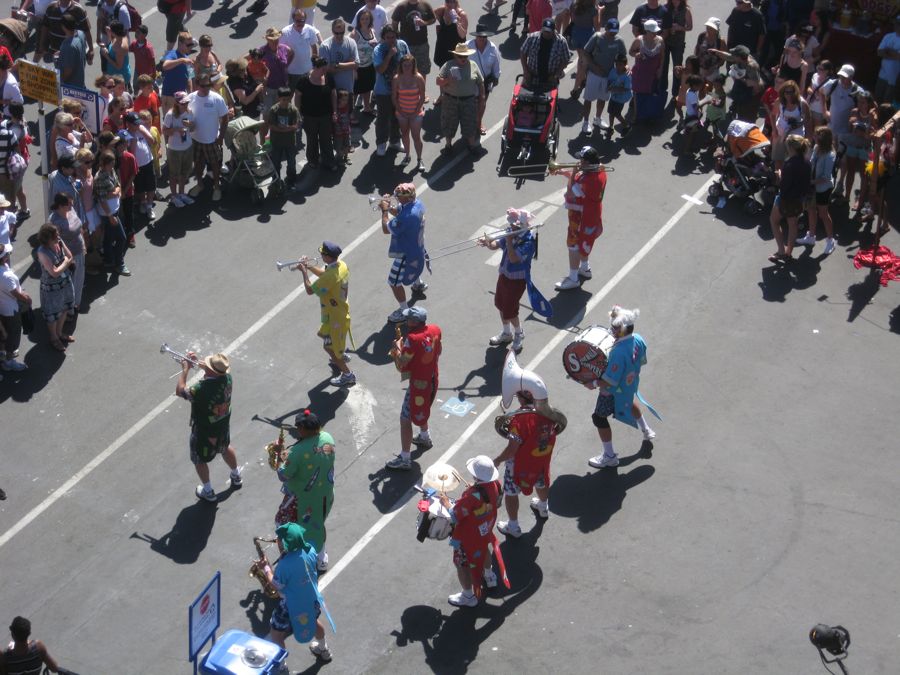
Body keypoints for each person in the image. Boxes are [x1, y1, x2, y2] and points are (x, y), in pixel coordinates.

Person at [493, 351, 564, 538]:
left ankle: (513, 526)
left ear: (524, 397)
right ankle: (543, 507)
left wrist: (497, 460)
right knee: (542, 480)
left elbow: (511, 450)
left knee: (510, 491)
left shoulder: (519, 421)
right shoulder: (549, 416)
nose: (516, 398)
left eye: (518, 395)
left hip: (520, 464)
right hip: (540, 460)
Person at [582, 306, 656, 468]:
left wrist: (593, 383)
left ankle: (609, 456)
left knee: (599, 418)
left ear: (622, 330)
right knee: (629, 401)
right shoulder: (638, 338)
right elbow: (642, 360)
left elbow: (610, 381)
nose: (612, 330)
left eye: (615, 328)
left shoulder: (618, 353)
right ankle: (646, 430)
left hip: (612, 391)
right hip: (630, 384)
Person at [438, 455, 509, 607]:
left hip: (468, 536)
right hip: (485, 529)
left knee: (461, 564)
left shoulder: (471, 495)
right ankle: (490, 576)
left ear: (476, 475)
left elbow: (455, 515)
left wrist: (446, 503)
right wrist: (474, 488)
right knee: (484, 550)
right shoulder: (495, 484)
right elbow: (495, 501)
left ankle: (468, 596)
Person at [479, 208, 551, 352]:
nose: (511, 227)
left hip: (517, 281)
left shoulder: (528, 243)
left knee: (510, 310)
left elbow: (513, 258)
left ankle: (519, 333)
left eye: (514, 226)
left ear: (521, 227)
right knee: (500, 304)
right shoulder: (511, 233)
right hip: (504, 274)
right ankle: (507, 333)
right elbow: (495, 246)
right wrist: (487, 242)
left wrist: (509, 240)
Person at [175, 350, 242, 502]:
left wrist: (185, 369)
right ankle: (236, 475)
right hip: (222, 425)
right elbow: (213, 375)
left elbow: (180, 391)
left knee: (199, 460)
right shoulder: (227, 378)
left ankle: (208, 490)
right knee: (225, 448)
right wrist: (199, 364)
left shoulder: (201, 389)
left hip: (205, 430)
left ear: (211, 370)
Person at [273, 410, 336, 570]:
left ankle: (294, 560)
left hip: (302, 501)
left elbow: (283, 474)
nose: (297, 431)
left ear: (304, 429)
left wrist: (281, 457)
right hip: (325, 496)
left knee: (283, 524)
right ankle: (321, 559)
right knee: (318, 525)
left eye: (298, 427)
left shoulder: (297, 452)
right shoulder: (328, 438)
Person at [262, 522, 334, 663]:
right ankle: (324, 649)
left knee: (276, 635)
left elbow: (276, 585)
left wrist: (266, 569)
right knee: (313, 622)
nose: (278, 541)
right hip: (310, 600)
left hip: (289, 605)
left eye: (279, 539)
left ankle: (282, 665)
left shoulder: (283, 566)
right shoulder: (311, 551)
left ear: (284, 543)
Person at [385, 305, 442, 470]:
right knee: (422, 408)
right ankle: (425, 436)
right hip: (432, 378)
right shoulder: (435, 329)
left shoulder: (412, 339)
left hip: (418, 385)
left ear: (412, 322)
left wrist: (397, 347)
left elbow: (401, 366)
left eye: (408, 319)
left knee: (405, 418)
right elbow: (438, 351)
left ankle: (405, 458)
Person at [295, 241, 355, 387]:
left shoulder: (330, 277)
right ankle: (340, 354)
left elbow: (310, 290)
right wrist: (309, 266)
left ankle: (348, 374)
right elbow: (324, 273)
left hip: (336, 317)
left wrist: (303, 272)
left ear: (328, 257)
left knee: (329, 347)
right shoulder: (341, 265)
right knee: (323, 335)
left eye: (322, 253)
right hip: (336, 312)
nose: (321, 255)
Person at [555, 145, 606, 290]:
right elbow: (579, 178)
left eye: (581, 161)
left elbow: (572, 191)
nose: (578, 163)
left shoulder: (592, 180)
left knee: (573, 245)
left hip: (581, 216)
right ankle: (584, 268)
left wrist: (572, 174)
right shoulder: (597, 170)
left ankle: (573, 278)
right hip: (589, 213)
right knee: (584, 242)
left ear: (588, 163)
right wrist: (564, 172)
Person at [379, 182, 429, 322]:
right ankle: (418, 284)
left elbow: (385, 229)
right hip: (417, 246)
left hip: (406, 253)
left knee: (394, 282)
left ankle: (404, 310)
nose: (396, 196)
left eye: (398, 195)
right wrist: (390, 208)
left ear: (407, 198)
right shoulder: (417, 204)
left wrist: (384, 211)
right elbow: (401, 211)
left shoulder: (407, 217)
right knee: (416, 266)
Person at [435, 42, 485, 157]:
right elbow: (438, 81)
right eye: (460, 56)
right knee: (449, 123)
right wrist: (448, 80)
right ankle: (448, 145)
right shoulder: (448, 65)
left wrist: (482, 96)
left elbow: (480, 82)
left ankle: (471, 145)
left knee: (470, 123)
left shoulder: (473, 65)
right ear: (455, 56)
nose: (463, 58)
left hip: (469, 100)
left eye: (465, 56)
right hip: (450, 100)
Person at [768, 134, 811, 263]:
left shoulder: (789, 164)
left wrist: (780, 175)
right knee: (793, 225)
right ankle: (788, 252)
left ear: (791, 147)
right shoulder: (807, 162)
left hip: (786, 199)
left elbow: (783, 185)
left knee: (774, 221)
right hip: (799, 199)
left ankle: (781, 250)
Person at [580, 18, 627, 135]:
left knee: (602, 98)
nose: (613, 33)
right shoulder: (597, 37)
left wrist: (626, 68)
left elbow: (623, 57)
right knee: (589, 99)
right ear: (606, 28)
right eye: (611, 31)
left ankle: (598, 119)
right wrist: (594, 66)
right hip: (594, 74)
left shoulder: (619, 41)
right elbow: (585, 53)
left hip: (608, 76)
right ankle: (586, 122)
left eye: (615, 31)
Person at [187, 74, 229, 201]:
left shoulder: (217, 99)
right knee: (198, 164)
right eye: (203, 86)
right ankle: (200, 184)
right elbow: (183, 113)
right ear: (198, 84)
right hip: (195, 139)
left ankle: (216, 187)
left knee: (215, 165)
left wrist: (221, 137)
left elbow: (225, 118)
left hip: (212, 140)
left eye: (209, 85)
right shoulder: (191, 98)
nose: (206, 88)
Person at [796, 125, 836, 255]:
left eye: (817, 136)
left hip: (823, 188)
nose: (814, 137)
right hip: (812, 185)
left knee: (823, 214)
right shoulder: (816, 148)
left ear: (823, 140)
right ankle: (811, 237)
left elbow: (825, 177)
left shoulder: (830, 155)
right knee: (811, 210)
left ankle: (831, 240)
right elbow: (812, 163)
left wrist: (811, 182)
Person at [36, 223, 75, 352]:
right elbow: (54, 272)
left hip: (64, 283)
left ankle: (59, 333)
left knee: (64, 309)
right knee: (52, 314)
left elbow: (70, 256)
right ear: (48, 238)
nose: (58, 236)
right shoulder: (42, 252)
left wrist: (64, 262)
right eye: (55, 235)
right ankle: (54, 338)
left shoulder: (58, 241)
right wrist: (65, 262)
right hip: (51, 288)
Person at [373, 25, 410, 156]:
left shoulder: (403, 45)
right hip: (383, 91)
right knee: (383, 118)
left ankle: (394, 141)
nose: (391, 40)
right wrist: (389, 56)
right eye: (387, 38)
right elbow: (380, 70)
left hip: (399, 90)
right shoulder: (379, 50)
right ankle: (381, 143)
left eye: (393, 37)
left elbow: (409, 64)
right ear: (383, 38)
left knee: (397, 116)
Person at [295, 57, 337, 171]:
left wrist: (334, 111)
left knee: (326, 139)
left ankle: (329, 160)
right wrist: (298, 113)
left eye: (325, 69)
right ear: (315, 68)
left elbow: (333, 94)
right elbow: (298, 96)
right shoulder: (303, 80)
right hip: (309, 116)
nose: (324, 72)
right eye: (322, 69)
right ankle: (312, 160)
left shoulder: (328, 77)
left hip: (325, 116)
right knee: (312, 139)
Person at [93, 150, 130, 276]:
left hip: (115, 209)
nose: (112, 166)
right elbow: (102, 199)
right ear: (103, 164)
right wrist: (110, 216)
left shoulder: (111, 171)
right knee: (121, 238)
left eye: (113, 163)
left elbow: (117, 184)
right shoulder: (99, 178)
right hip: (108, 213)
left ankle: (109, 260)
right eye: (110, 164)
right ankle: (119, 264)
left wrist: (115, 191)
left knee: (108, 238)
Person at [48, 192, 85, 313]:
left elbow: (79, 228)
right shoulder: (54, 220)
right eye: (68, 204)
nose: (71, 206)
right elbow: (53, 242)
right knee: (70, 284)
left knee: (79, 279)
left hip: (79, 251)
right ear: (59, 206)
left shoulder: (71, 210)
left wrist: (83, 243)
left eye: (71, 203)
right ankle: (68, 310)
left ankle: (76, 304)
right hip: (68, 257)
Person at [281, 8, 321, 109]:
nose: (300, 23)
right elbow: (281, 51)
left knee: (305, 96)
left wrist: (313, 66)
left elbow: (314, 48)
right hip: (291, 72)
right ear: (293, 19)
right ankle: (289, 115)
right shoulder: (285, 32)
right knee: (288, 97)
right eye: (297, 20)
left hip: (306, 71)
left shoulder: (310, 30)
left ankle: (301, 116)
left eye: (302, 20)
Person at [392, 54, 426, 170]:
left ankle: (419, 159)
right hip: (402, 113)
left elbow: (422, 97)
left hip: (416, 113)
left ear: (413, 66)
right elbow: (394, 97)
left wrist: (415, 112)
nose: (407, 67)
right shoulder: (397, 78)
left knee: (416, 137)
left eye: (409, 65)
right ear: (401, 66)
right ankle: (407, 155)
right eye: (404, 65)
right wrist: (401, 111)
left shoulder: (419, 78)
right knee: (405, 134)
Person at [0, 243, 30, 372]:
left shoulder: (4, 271)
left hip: (2, 309)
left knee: (4, 334)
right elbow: (18, 295)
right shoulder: (7, 277)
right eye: (8, 253)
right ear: (4, 257)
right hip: (11, 311)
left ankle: (3, 355)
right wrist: (28, 299)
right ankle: (9, 361)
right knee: (13, 336)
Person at [467, 24, 501, 136]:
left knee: (482, 102)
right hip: (470, 81)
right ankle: (470, 124)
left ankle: (478, 122)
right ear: (476, 36)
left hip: (485, 81)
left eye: (484, 37)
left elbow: (496, 65)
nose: (482, 39)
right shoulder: (467, 46)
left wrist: (496, 77)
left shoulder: (493, 48)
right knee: (470, 104)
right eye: (480, 36)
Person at [163, 91, 195, 207]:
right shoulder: (170, 115)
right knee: (174, 174)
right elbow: (165, 131)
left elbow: (193, 128)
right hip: (175, 149)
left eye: (186, 102)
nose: (185, 105)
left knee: (184, 173)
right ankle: (174, 196)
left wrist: (190, 125)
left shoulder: (189, 112)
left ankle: (182, 193)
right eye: (183, 103)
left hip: (188, 146)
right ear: (176, 103)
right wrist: (177, 130)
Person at [392, 0, 436, 82]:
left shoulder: (425, 5)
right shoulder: (401, 6)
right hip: (406, 45)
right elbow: (394, 23)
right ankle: (407, 91)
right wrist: (397, 40)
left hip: (422, 44)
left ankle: (422, 92)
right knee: (405, 69)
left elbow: (433, 19)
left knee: (423, 69)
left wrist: (424, 23)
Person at [38, 0, 93, 65]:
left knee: (71, 72)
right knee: (59, 70)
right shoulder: (51, 8)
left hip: (72, 51)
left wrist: (91, 49)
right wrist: (42, 44)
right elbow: (45, 27)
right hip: (55, 50)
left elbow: (86, 30)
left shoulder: (78, 10)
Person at [520, 18, 571, 88]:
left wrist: (556, 74)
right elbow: (523, 53)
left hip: (550, 77)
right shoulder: (532, 38)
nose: (546, 33)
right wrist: (526, 71)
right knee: (523, 96)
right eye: (545, 31)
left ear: (554, 30)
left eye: (549, 32)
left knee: (549, 98)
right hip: (532, 75)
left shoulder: (561, 42)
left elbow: (566, 59)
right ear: (542, 29)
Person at [267, 87, 301, 185]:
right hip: (276, 142)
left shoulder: (293, 110)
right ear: (279, 98)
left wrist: (284, 128)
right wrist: (287, 129)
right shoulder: (274, 110)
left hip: (290, 142)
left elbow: (296, 126)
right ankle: (276, 180)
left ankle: (291, 179)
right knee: (276, 162)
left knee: (291, 163)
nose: (285, 102)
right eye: (283, 99)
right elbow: (271, 126)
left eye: (287, 99)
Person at [629, 18, 664, 110]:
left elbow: (662, 56)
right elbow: (631, 52)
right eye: (653, 32)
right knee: (638, 94)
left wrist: (660, 69)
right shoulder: (639, 40)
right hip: (640, 72)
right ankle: (637, 115)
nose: (655, 33)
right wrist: (637, 54)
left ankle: (648, 114)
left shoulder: (660, 40)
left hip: (652, 73)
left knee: (651, 93)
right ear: (647, 31)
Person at [568, 0, 600, 100]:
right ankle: (575, 88)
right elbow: (597, 27)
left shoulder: (574, 4)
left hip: (576, 34)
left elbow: (572, 19)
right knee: (584, 63)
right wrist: (600, 12)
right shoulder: (593, 9)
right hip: (587, 37)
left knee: (581, 59)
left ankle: (582, 80)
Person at [320, 18, 359, 96]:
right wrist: (348, 63)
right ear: (332, 31)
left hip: (348, 90)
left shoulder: (351, 43)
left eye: (342, 33)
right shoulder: (325, 46)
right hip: (332, 91)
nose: (339, 35)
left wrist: (337, 65)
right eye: (336, 33)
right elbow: (328, 69)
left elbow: (356, 64)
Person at [261, 27, 295, 113]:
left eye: (276, 39)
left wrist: (287, 65)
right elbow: (247, 59)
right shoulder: (262, 51)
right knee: (268, 113)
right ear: (267, 40)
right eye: (272, 40)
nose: (274, 42)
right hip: (268, 87)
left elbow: (292, 53)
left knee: (283, 111)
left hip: (282, 87)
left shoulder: (283, 48)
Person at [351, 8, 378, 115]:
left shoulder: (372, 31)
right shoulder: (355, 33)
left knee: (367, 88)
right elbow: (350, 51)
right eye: (362, 19)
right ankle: (351, 110)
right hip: (358, 67)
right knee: (355, 90)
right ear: (359, 20)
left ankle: (367, 107)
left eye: (367, 19)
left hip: (369, 65)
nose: (365, 21)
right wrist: (353, 69)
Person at [161, 32, 195, 113]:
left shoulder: (186, 57)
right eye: (188, 45)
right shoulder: (173, 54)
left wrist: (191, 94)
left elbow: (189, 77)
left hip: (181, 97)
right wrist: (181, 60)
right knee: (170, 123)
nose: (190, 47)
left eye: (191, 44)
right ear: (180, 43)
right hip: (170, 96)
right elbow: (165, 66)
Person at [663, 0, 692, 96]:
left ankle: (675, 94)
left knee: (677, 68)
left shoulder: (686, 10)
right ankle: (663, 90)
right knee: (663, 66)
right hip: (666, 42)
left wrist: (680, 27)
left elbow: (690, 27)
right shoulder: (666, 7)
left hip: (678, 44)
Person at [433, 0, 468, 74]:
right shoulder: (442, 10)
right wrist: (440, 23)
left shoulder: (461, 14)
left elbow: (463, 35)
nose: (450, 4)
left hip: (456, 50)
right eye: (447, 1)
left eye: (452, 1)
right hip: (443, 49)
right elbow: (433, 13)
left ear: (456, 2)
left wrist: (458, 23)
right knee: (443, 75)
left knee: (457, 76)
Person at [605, 51, 633, 135]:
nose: (618, 67)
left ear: (625, 65)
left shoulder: (627, 76)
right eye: (616, 64)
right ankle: (610, 127)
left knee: (617, 113)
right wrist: (609, 86)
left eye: (620, 65)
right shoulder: (613, 71)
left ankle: (626, 125)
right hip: (613, 97)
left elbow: (627, 89)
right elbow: (609, 80)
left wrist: (616, 89)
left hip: (621, 99)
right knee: (610, 112)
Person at [58, 12, 88, 87]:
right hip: (80, 81)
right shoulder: (80, 34)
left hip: (71, 87)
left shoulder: (68, 46)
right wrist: (61, 53)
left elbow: (68, 70)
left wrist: (60, 81)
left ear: (63, 27)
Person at [875, 15, 900, 105]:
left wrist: (887, 51)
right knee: (877, 98)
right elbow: (879, 52)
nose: (897, 26)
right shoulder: (888, 36)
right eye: (897, 23)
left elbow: (898, 57)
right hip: (882, 74)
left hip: (895, 77)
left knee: (887, 102)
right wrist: (893, 53)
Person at [100, 21, 131, 89]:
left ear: (114, 32)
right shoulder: (122, 37)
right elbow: (113, 42)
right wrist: (109, 34)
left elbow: (118, 66)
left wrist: (106, 56)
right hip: (115, 73)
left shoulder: (120, 48)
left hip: (119, 77)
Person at [696, 16, 726, 83]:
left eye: (711, 28)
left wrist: (713, 68)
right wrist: (695, 64)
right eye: (707, 27)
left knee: (710, 90)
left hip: (713, 71)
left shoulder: (720, 41)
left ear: (716, 30)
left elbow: (723, 59)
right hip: (700, 68)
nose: (708, 30)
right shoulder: (702, 36)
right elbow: (697, 49)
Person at [129, 24, 156, 91]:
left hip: (147, 73)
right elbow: (128, 49)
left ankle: (156, 94)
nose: (136, 34)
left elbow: (153, 61)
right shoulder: (134, 44)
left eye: (138, 32)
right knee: (135, 85)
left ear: (144, 35)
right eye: (136, 32)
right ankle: (135, 96)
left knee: (148, 86)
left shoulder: (148, 48)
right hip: (137, 70)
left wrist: (154, 74)